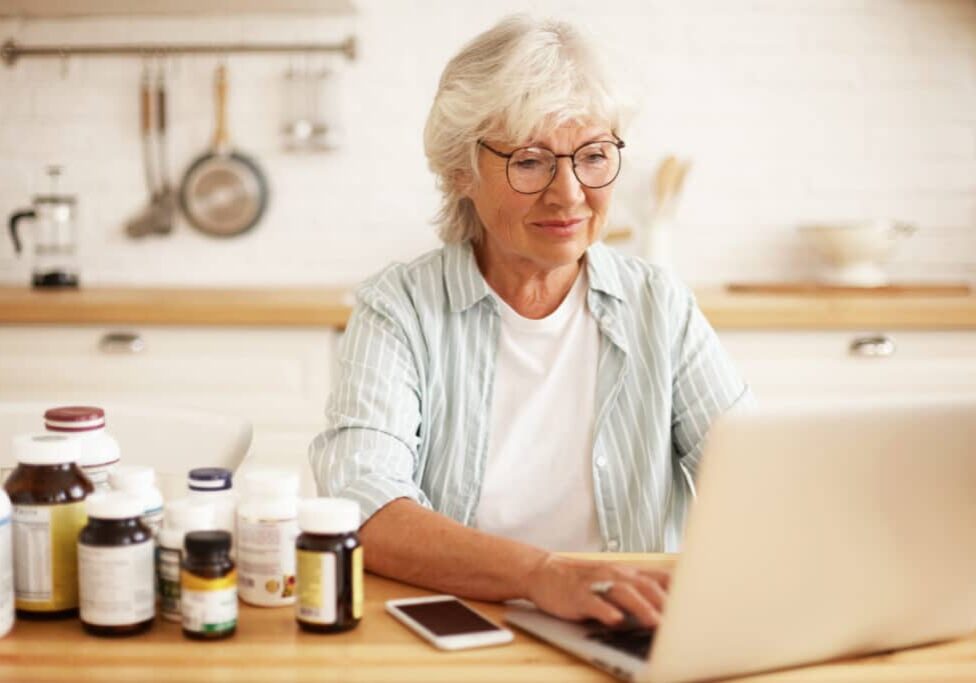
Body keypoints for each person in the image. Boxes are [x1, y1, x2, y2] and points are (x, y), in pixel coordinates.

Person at [309, 15, 750, 629]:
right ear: (461, 171)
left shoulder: (660, 306)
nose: (569, 193)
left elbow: (754, 481)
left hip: (626, 627)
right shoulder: (399, 308)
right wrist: (542, 576)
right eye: (531, 161)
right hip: (463, 626)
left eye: (593, 156)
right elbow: (366, 506)